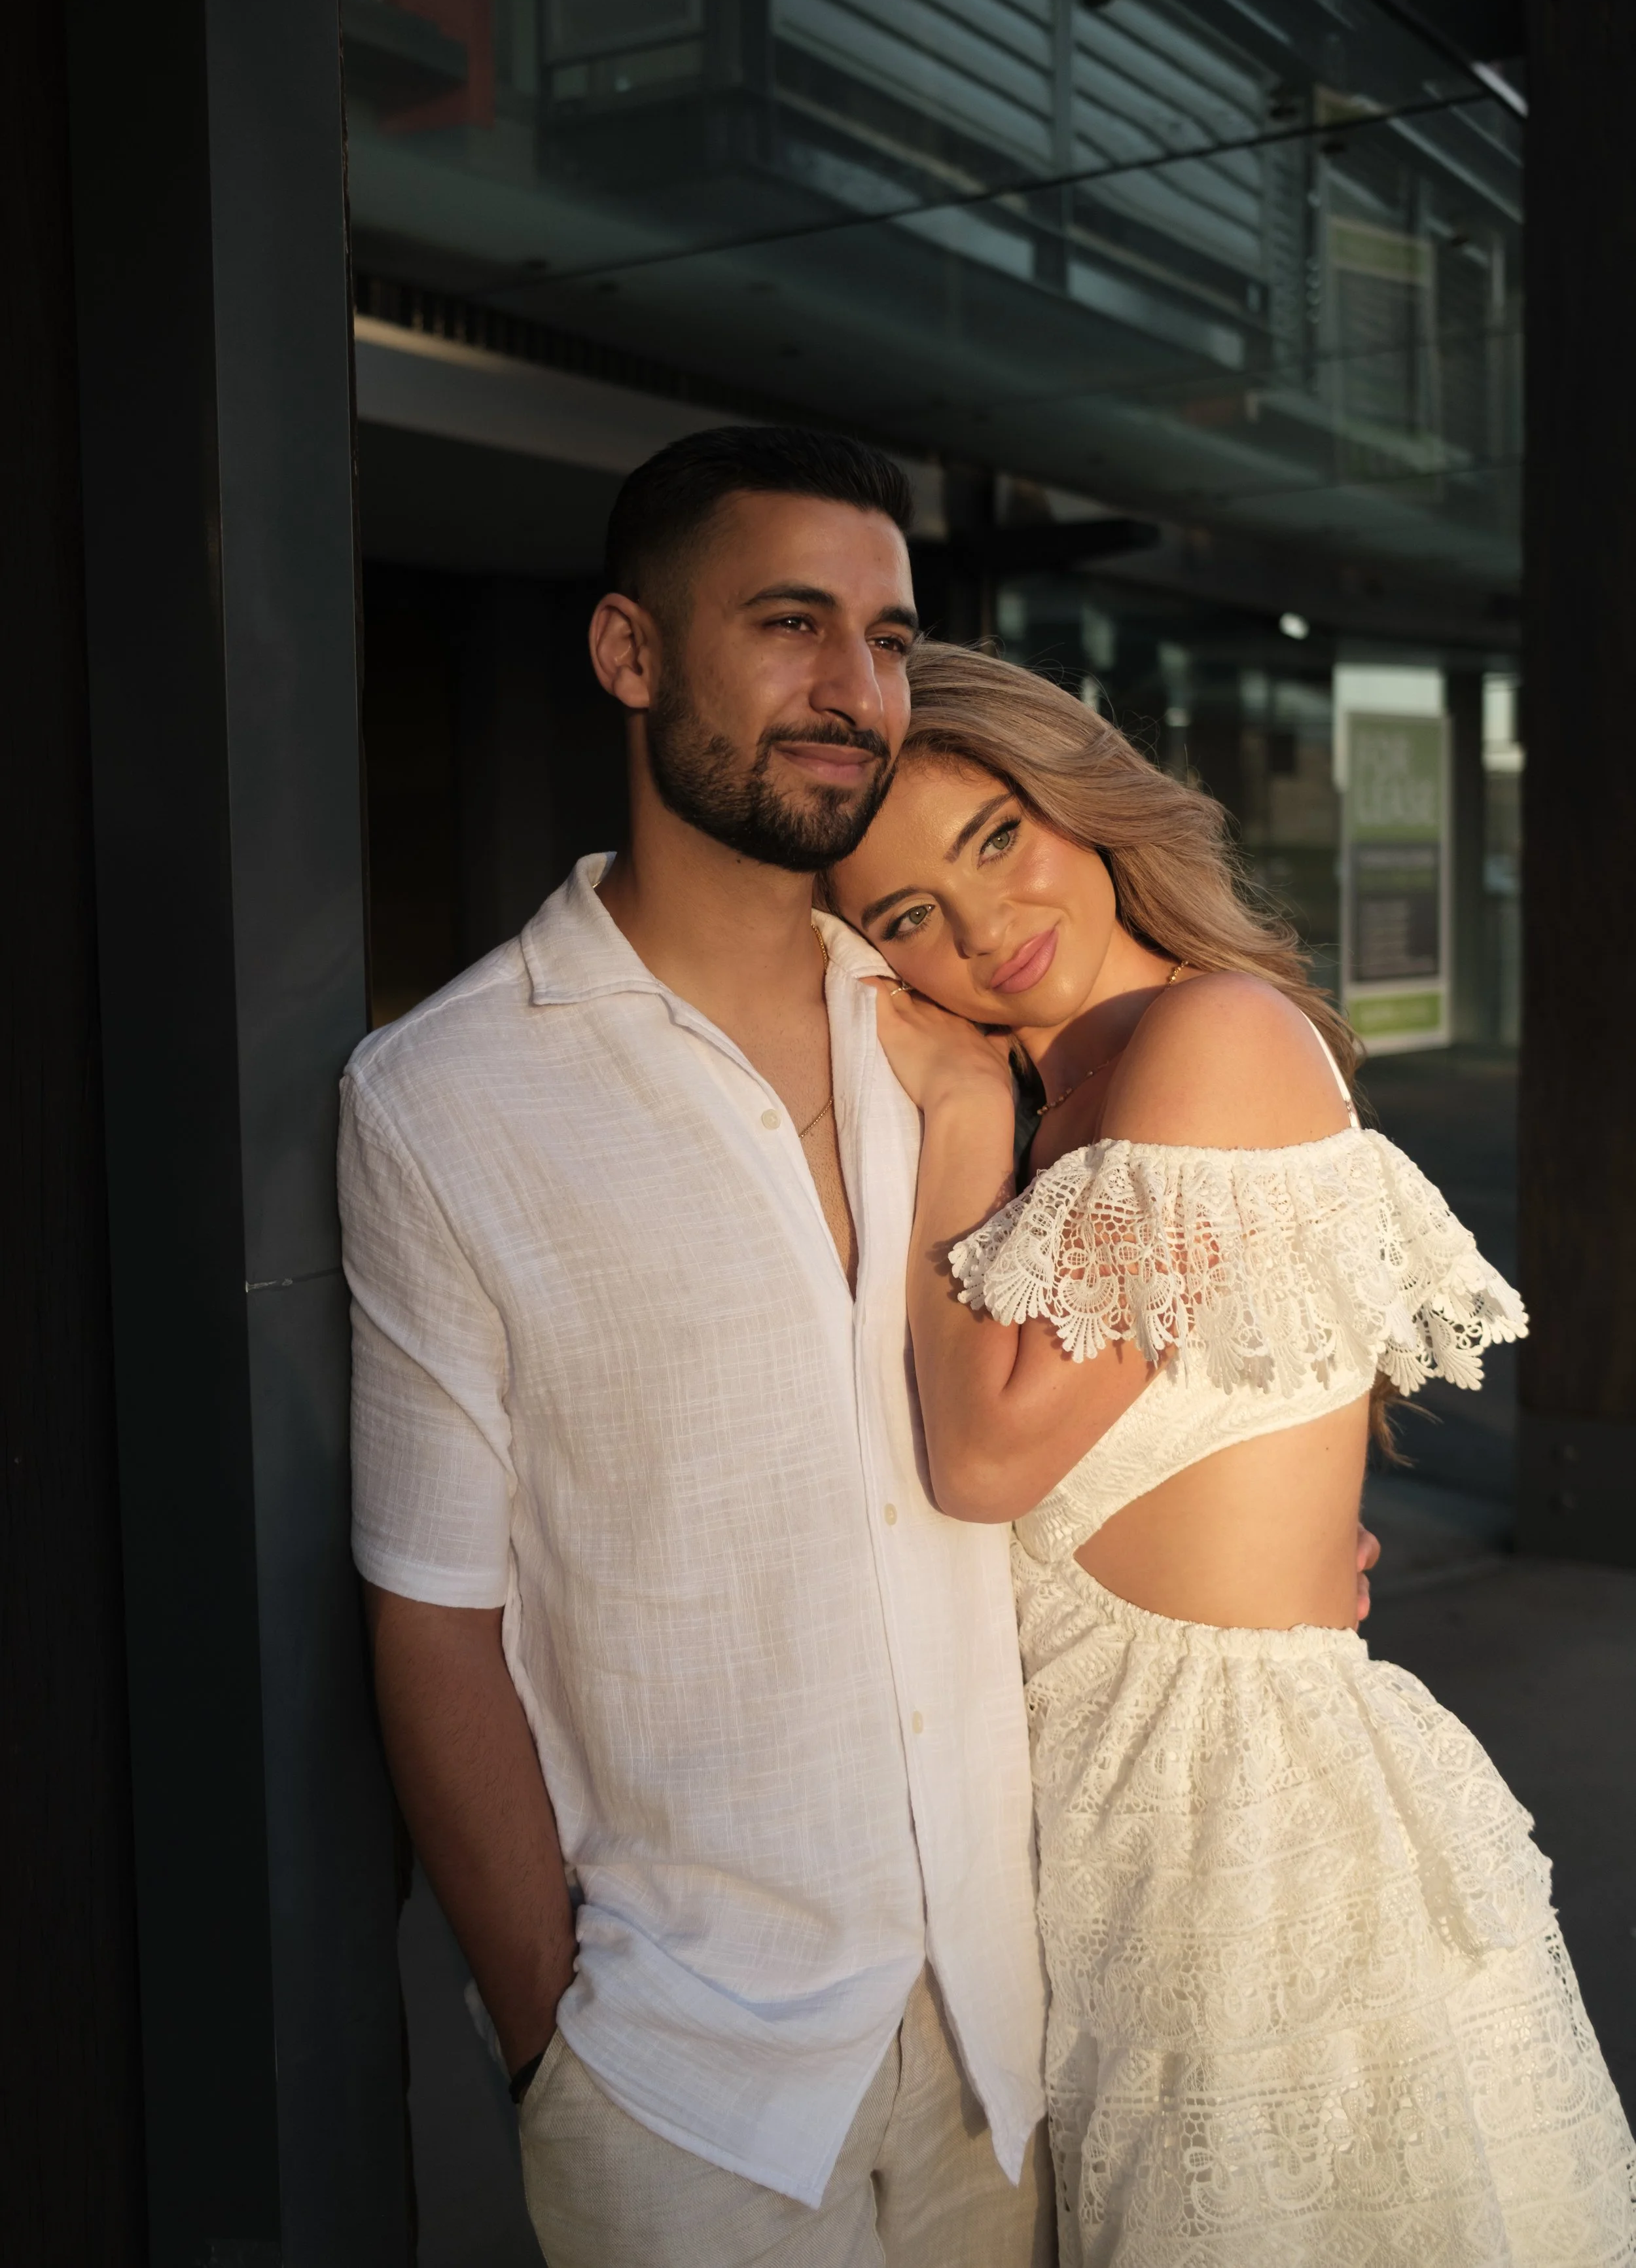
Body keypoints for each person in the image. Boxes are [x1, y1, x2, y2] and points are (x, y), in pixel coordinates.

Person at [338, 428, 1058, 2267]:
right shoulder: (444, 1095)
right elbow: (432, 1607)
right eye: (791, 624)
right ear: (626, 653)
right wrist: (547, 2036)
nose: (854, 691)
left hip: (1007, 2020)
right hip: (689, 2079)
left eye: (889, 640)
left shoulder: (960, 1025)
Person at [825, 639, 1636, 2268]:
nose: (981, 932)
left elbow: (983, 1459)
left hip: (1237, 1835)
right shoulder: (1070, 1093)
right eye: (906, 914)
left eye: (993, 838)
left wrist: (958, 1118)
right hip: (1107, 1824)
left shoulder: (1213, 1037)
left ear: (1080, 800)